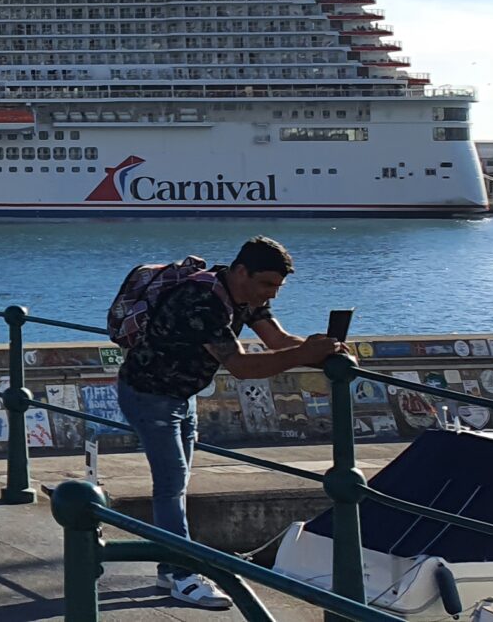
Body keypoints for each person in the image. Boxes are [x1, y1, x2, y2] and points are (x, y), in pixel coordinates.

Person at [115, 237, 337, 611]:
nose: (272, 294)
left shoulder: (247, 297)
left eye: (278, 287)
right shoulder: (201, 301)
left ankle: (170, 567)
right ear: (241, 271)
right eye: (267, 284)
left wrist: (323, 353)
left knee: (177, 484)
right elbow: (242, 366)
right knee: (170, 485)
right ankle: (184, 576)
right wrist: (303, 353)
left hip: (180, 396)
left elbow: (278, 340)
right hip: (148, 395)